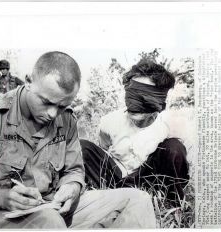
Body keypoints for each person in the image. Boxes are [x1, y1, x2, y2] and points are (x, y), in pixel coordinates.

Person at [0, 52, 156, 229]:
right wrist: (2, 197)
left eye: (62, 106)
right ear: (29, 81)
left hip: (52, 208)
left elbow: (74, 170)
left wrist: (71, 186)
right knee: (49, 221)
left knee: (137, 200)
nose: (52, 114)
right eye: (46, 102)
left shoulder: (66, 119)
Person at [81, 59, 190, 203]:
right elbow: (103, 151)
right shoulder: (109, 121)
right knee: (83, 147)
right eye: (132, 94)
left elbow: (178, 166)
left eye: (143, 97)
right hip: (116, 179)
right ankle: (105, 199)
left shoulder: (169, 126)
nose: (134, 104)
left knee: (174, 148)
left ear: (159, 102)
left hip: (149, 181)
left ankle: (171, 203)